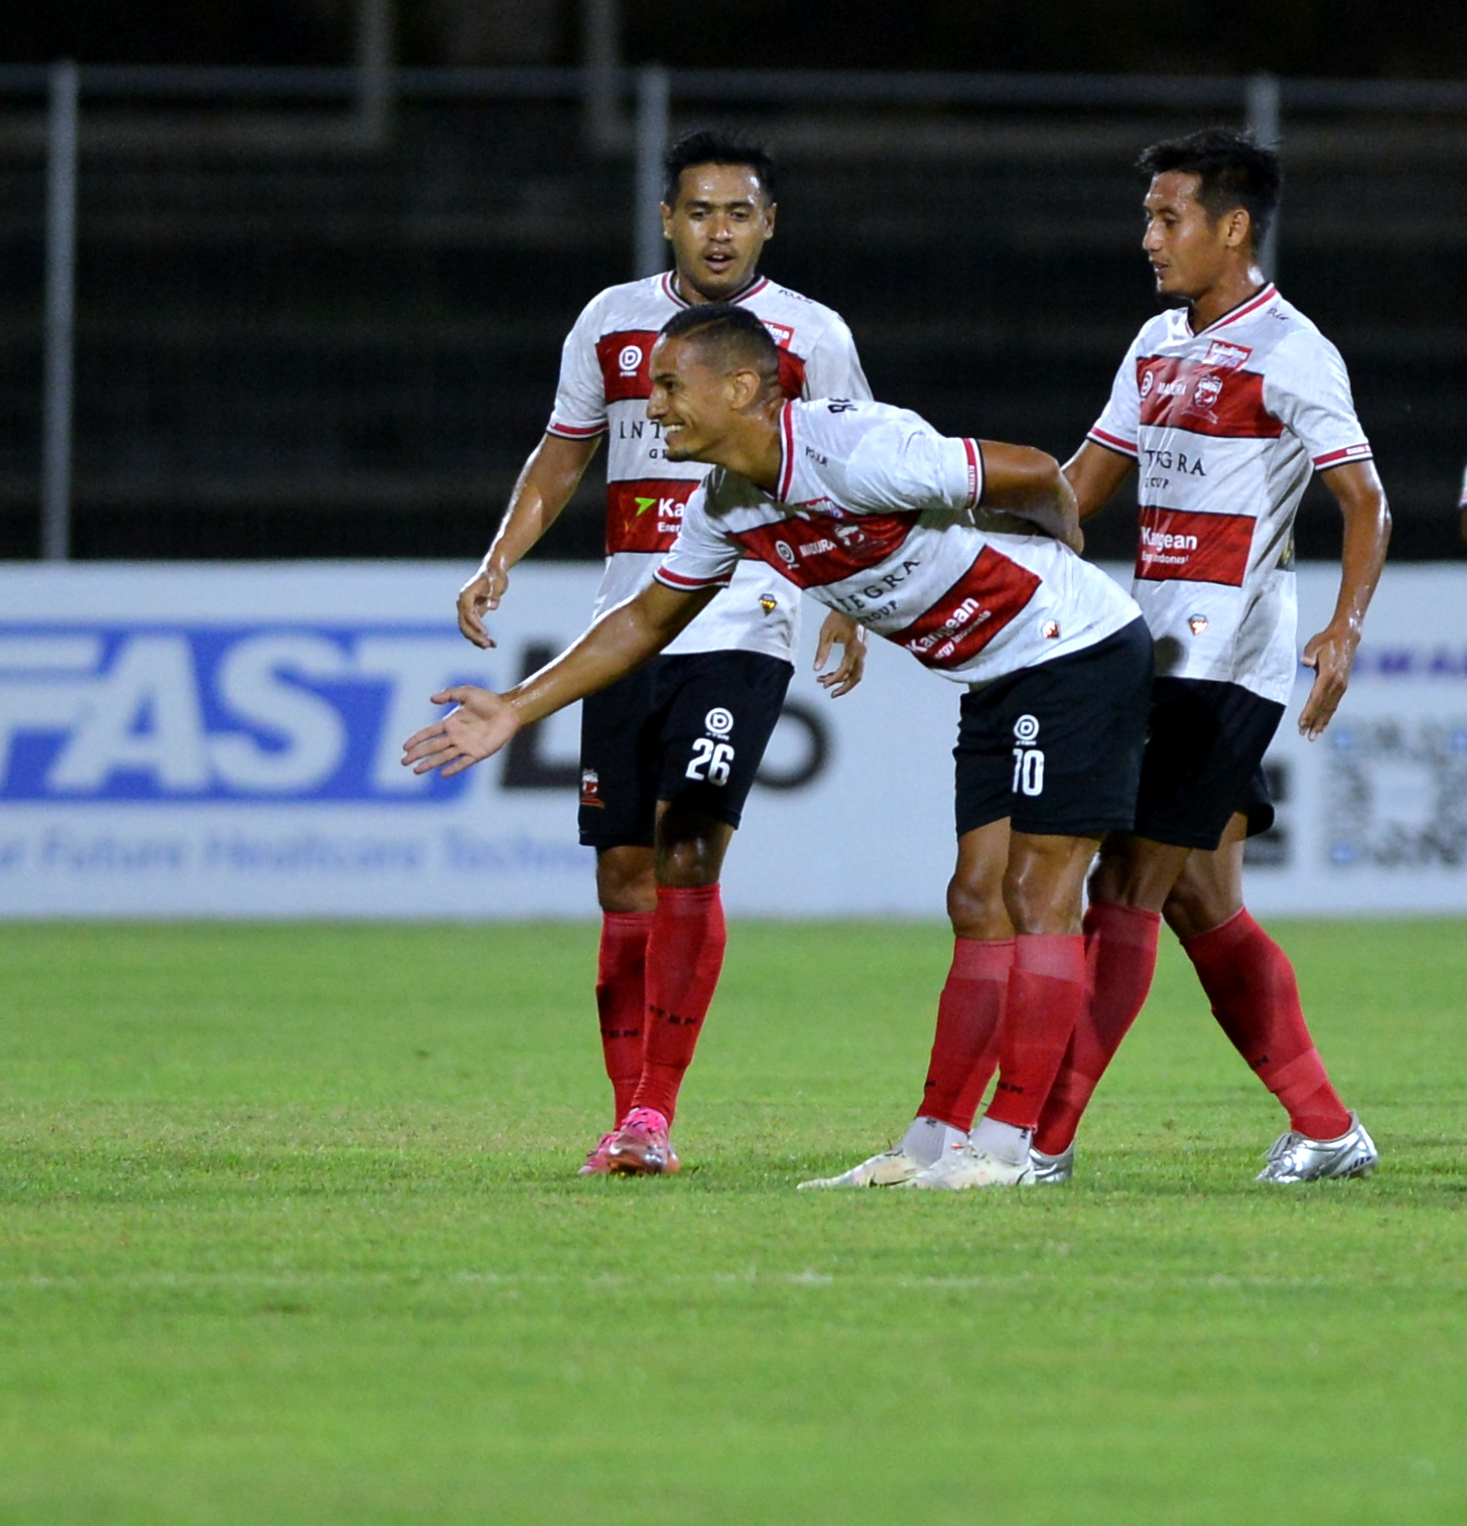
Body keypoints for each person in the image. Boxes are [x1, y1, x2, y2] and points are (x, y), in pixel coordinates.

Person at [407, 302, 1150, 1191]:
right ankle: (931, 1141)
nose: (655, 410)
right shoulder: (727, 503)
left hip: (1077, 650)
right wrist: (516, 710)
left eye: (672, 387)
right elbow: (644, 618)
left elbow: (1030, 470)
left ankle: (1011, 1146)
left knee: (1036, 892)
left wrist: (1064, 549)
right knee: (973, 898)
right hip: (992, 675)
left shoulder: (860, 449)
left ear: (744, 388)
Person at [453, 131, 869, 1177]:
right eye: (698, 211)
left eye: (737, 212)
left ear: (767, 223)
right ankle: (625, 1114)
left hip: (744, 621)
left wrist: (846, 601)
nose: (716, 230)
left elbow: (858, 470)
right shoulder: (608, 321)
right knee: (622, 876)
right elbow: (563, 449)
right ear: (665, 221)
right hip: (625, 619)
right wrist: (500, 554)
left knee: (686, 848)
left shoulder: (807, 336)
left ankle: (652, 1114)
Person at [1006, 129, 1389, 1184]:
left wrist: (1340, 631)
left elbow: (1364, 500)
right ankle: (1323, 1127)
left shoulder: (1289, 353)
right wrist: (964, 545)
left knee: (1123, 886)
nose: (1148, 238)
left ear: (1231, 228)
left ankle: (1041, 1141)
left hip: (1230, 665)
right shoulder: (1152, 345)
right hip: (1150, 654)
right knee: (1197, 899)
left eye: (1167, 218)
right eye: (1146, 218)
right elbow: (1081, 487)